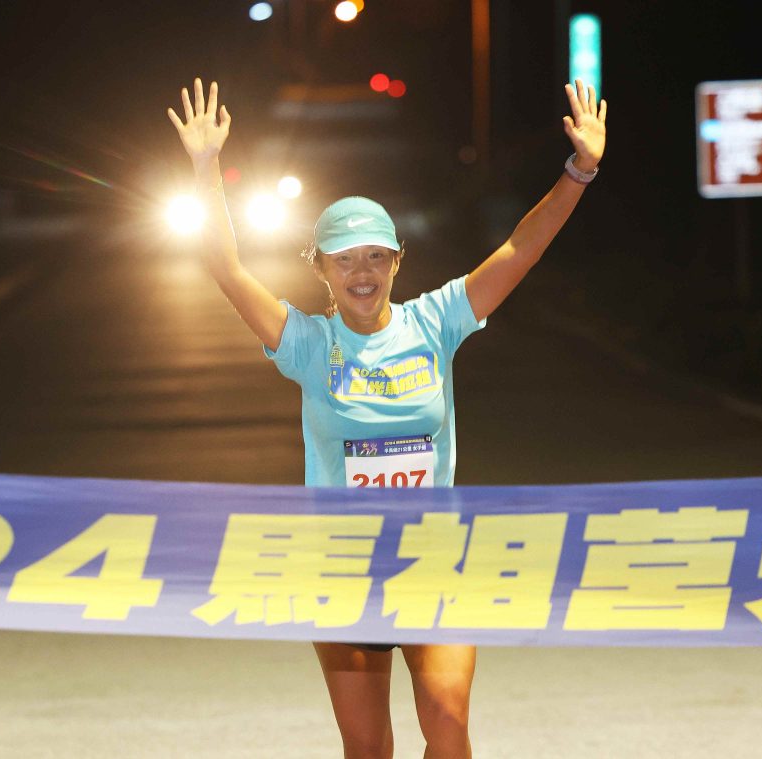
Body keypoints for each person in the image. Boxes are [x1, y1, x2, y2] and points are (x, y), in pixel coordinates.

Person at [168, 75, 606, 759]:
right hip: (342, 571)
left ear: (398, 261)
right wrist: (204, 167)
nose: (363, 271)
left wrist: (580, 169)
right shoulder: (308, 344)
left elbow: (519, 249)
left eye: (376, 255)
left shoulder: (436, 321)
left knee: (449, 727)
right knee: (368, 749)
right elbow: (226, 268)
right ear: (321, 268)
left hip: (434, 563)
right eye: (345, 259)